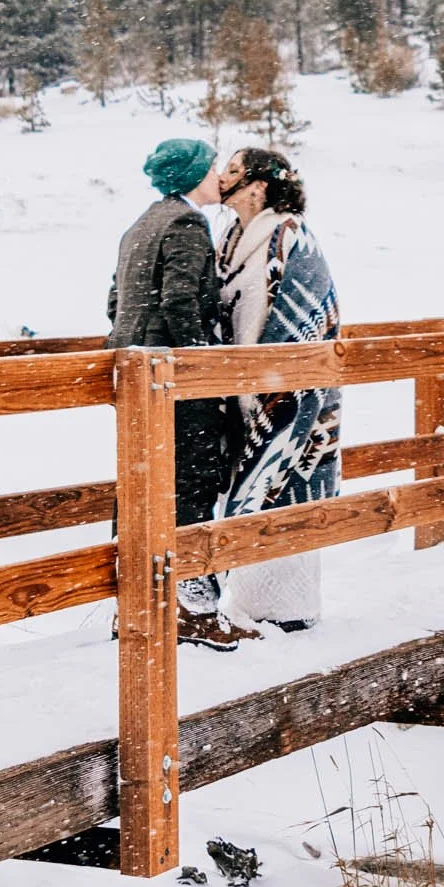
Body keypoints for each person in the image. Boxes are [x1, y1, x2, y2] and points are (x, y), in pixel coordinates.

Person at [106, 137, 259, 650]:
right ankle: (193, 610)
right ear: (195, 175)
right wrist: (199, 367)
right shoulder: (188, 224)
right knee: (189, 484)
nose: (220, 177)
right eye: (214, 168)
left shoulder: (141, 224)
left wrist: (137, 347)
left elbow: (115, 300)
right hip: (173, 385)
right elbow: (176, 302)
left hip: (134, 378)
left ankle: (133, 607)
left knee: (143, 485)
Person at [213, 147, 341, 632]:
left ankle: (289, 613)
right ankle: (248, 607)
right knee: (250, 494)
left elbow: (307, 316)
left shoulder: (291, 235)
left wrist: (276, 383)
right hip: (244, 391)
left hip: (290, 396)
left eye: (231, 170)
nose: (220, 177)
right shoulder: (230, 236)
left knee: (287, 488)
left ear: (258, 186)